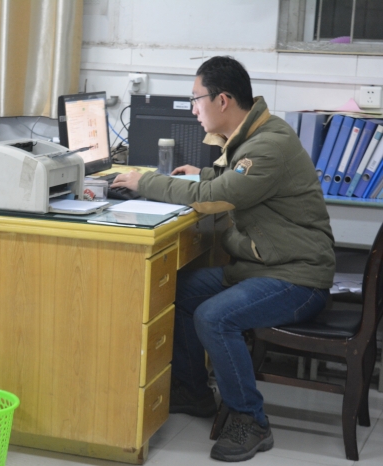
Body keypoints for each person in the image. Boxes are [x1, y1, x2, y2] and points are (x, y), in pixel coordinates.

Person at [111, 56, 335, 462]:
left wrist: (146, 182)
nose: (193, 109)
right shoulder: (252, 136)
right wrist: (202, 173)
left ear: (223, 100)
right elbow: (230, 180)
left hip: (297, 279)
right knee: (181, 291)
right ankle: (193, 391)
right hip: (265, 267)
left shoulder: (268, 145)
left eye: (196, 99)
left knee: (214, 317)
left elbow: (213, 198)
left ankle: (251, 419)